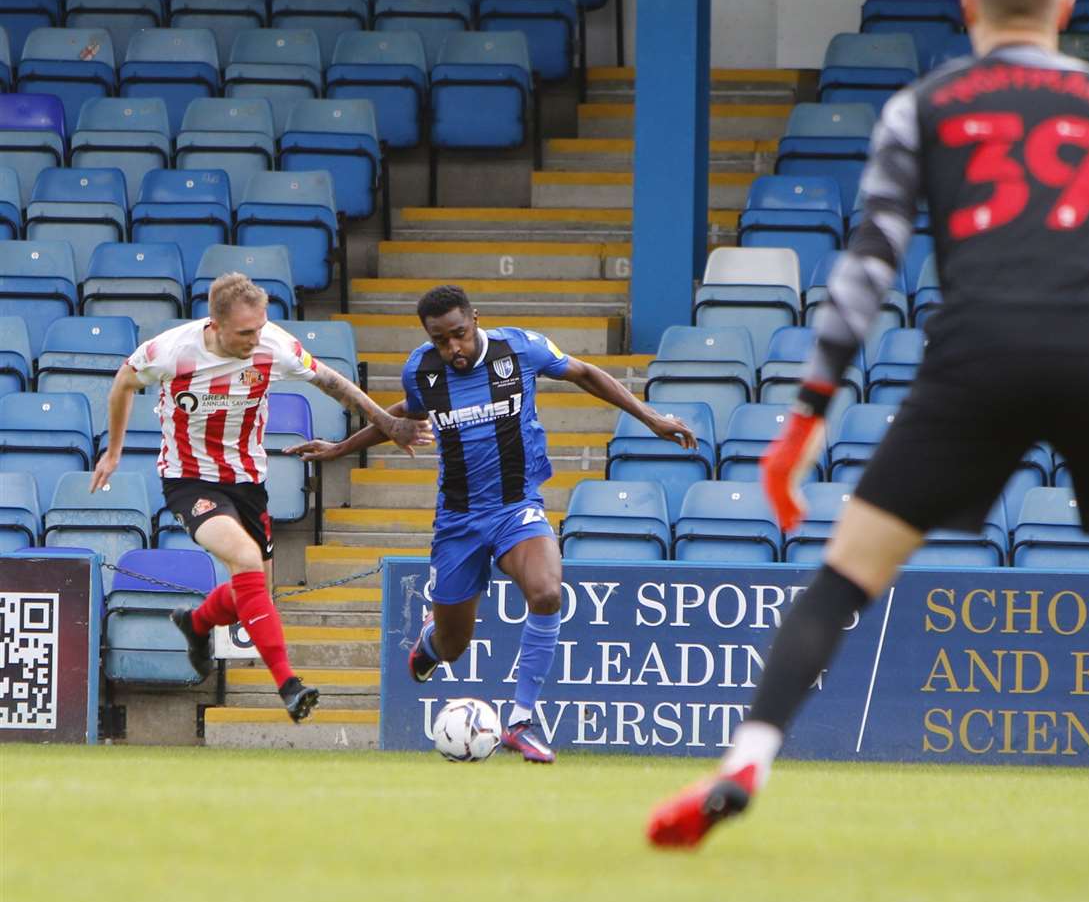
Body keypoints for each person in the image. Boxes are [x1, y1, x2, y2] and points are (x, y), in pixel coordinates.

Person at [647, 0, 1089, 857]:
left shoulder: (920, 107)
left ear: (965, 3)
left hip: (976, 354)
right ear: (1065, 3)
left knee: (844, 575)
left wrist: (802, 424)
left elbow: (866, 270)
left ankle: (747, 758)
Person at [286, 284, 697, 761]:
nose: (452, 348)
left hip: (516, 507)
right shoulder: (422, 370)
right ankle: (430, 642)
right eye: (441, 340)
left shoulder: (519, 349)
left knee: (546, 592)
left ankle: (521, 719)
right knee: (454, 644)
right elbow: (401, 417)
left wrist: (650, 418)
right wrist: (339, 449)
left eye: (459, 334)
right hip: (458, 521)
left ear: (475, 319)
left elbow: (586, 374)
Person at [95, 273, 432, 722]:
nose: (256, 339)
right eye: (245, 332)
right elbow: (122, 383)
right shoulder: (171, 352)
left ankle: (195, 623)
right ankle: (289, 685)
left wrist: (387, 424)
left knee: (255, 595)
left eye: (260, 327)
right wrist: (113, 452)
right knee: (246, 559)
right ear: (214, 325)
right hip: (190, 480)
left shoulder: (274, 345)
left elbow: (332, 382)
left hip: (249, 483)